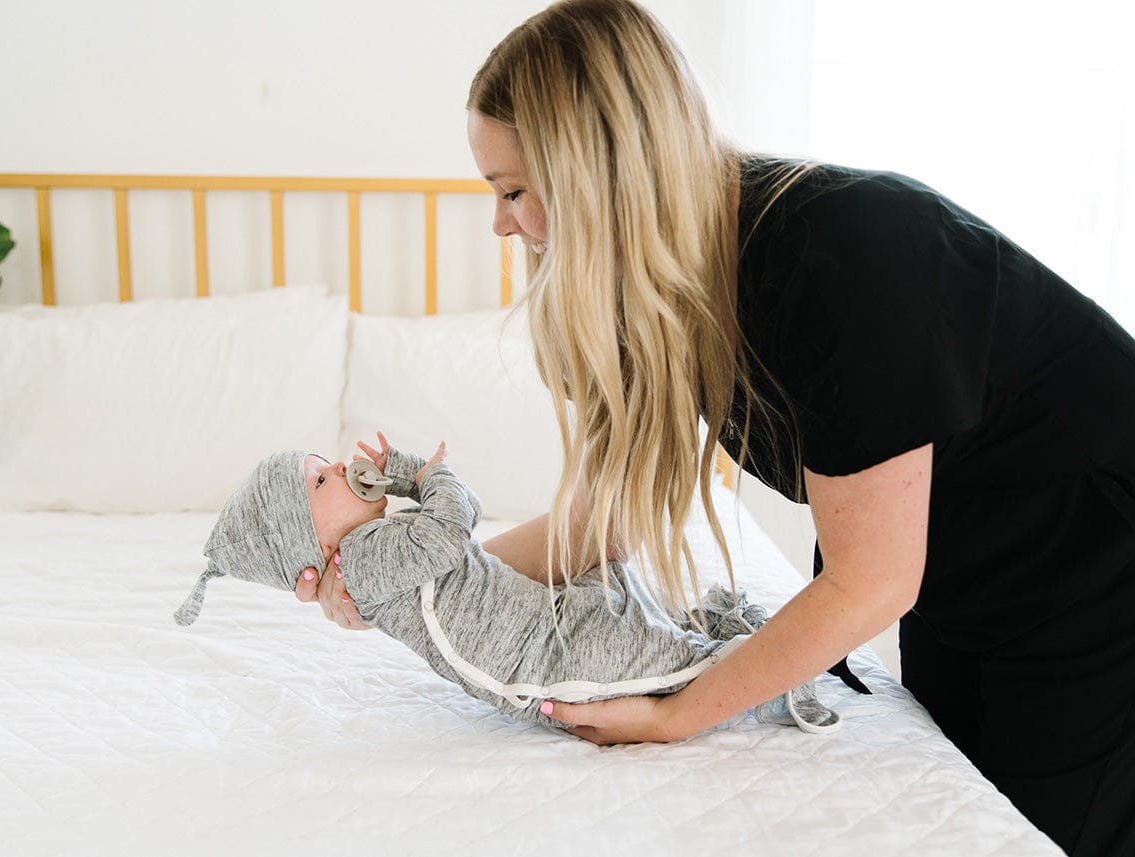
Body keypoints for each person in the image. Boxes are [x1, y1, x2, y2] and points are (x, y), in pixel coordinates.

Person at [295, 2, 1135, 853]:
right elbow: (601, 522)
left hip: (1096, 558)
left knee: (1051, 829)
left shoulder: (840, 255)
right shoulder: (663, 290)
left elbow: (873, 579)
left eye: (514, 190)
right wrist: (400, 584)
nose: (501, 223)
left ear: (601, 173)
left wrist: (677, 713)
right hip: (961, 569)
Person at [175, 434, 841, 733]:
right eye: (320, 480)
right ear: (310, 546)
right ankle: (766, 678)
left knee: (619, 599)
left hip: (537, 621)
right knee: (651, 656)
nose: (342, 468)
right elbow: (455, 521)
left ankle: (717, 642)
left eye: (326, 460)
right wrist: (419, 472)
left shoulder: (365, 557)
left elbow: (445, 552)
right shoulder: (366, 558)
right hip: (546, 663)